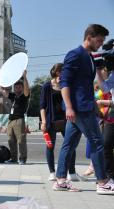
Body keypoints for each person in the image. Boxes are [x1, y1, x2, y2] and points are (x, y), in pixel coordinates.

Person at [54, 24, 114, 194]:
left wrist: (95, 104)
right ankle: (102, 182)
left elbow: (86, 85)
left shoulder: (89, 57)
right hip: (79, 108)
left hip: (85, 106)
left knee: (69, 145)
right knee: (97, 142)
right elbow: (65, 82)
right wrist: (70, 108)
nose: (101, 44)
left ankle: (60, 181)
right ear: (89, 37)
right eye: (99, 40)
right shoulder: (75, 54)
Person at [40, 63, 80, 181]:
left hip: (66, 119)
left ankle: (71, 172)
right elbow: (42, 105)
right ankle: (52, 172)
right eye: (64, 71)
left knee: (70, 145)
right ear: (58, 72)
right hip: (51, 120)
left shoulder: (65, 85)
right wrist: (43, 121)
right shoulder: (47, 86)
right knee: (50, 146)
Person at [1, 71, 30, 165]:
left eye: (19, 87)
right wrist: (0, 80)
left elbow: (27, 89)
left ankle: (22, 159)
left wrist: (24, 77)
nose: (17, 88)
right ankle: (13, 158)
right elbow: (4, 92)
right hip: (11, 120)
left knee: (21, 140)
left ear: (22, 88)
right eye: (16, 87)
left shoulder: (24, 96)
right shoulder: (13, 95)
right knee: (10, 140)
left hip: (19, 119)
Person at [95, 59, 114, 179]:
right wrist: (97, 69)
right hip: (112, 116)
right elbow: (106, 87)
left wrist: (102, 102)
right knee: (106, 145)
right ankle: (110, 176)